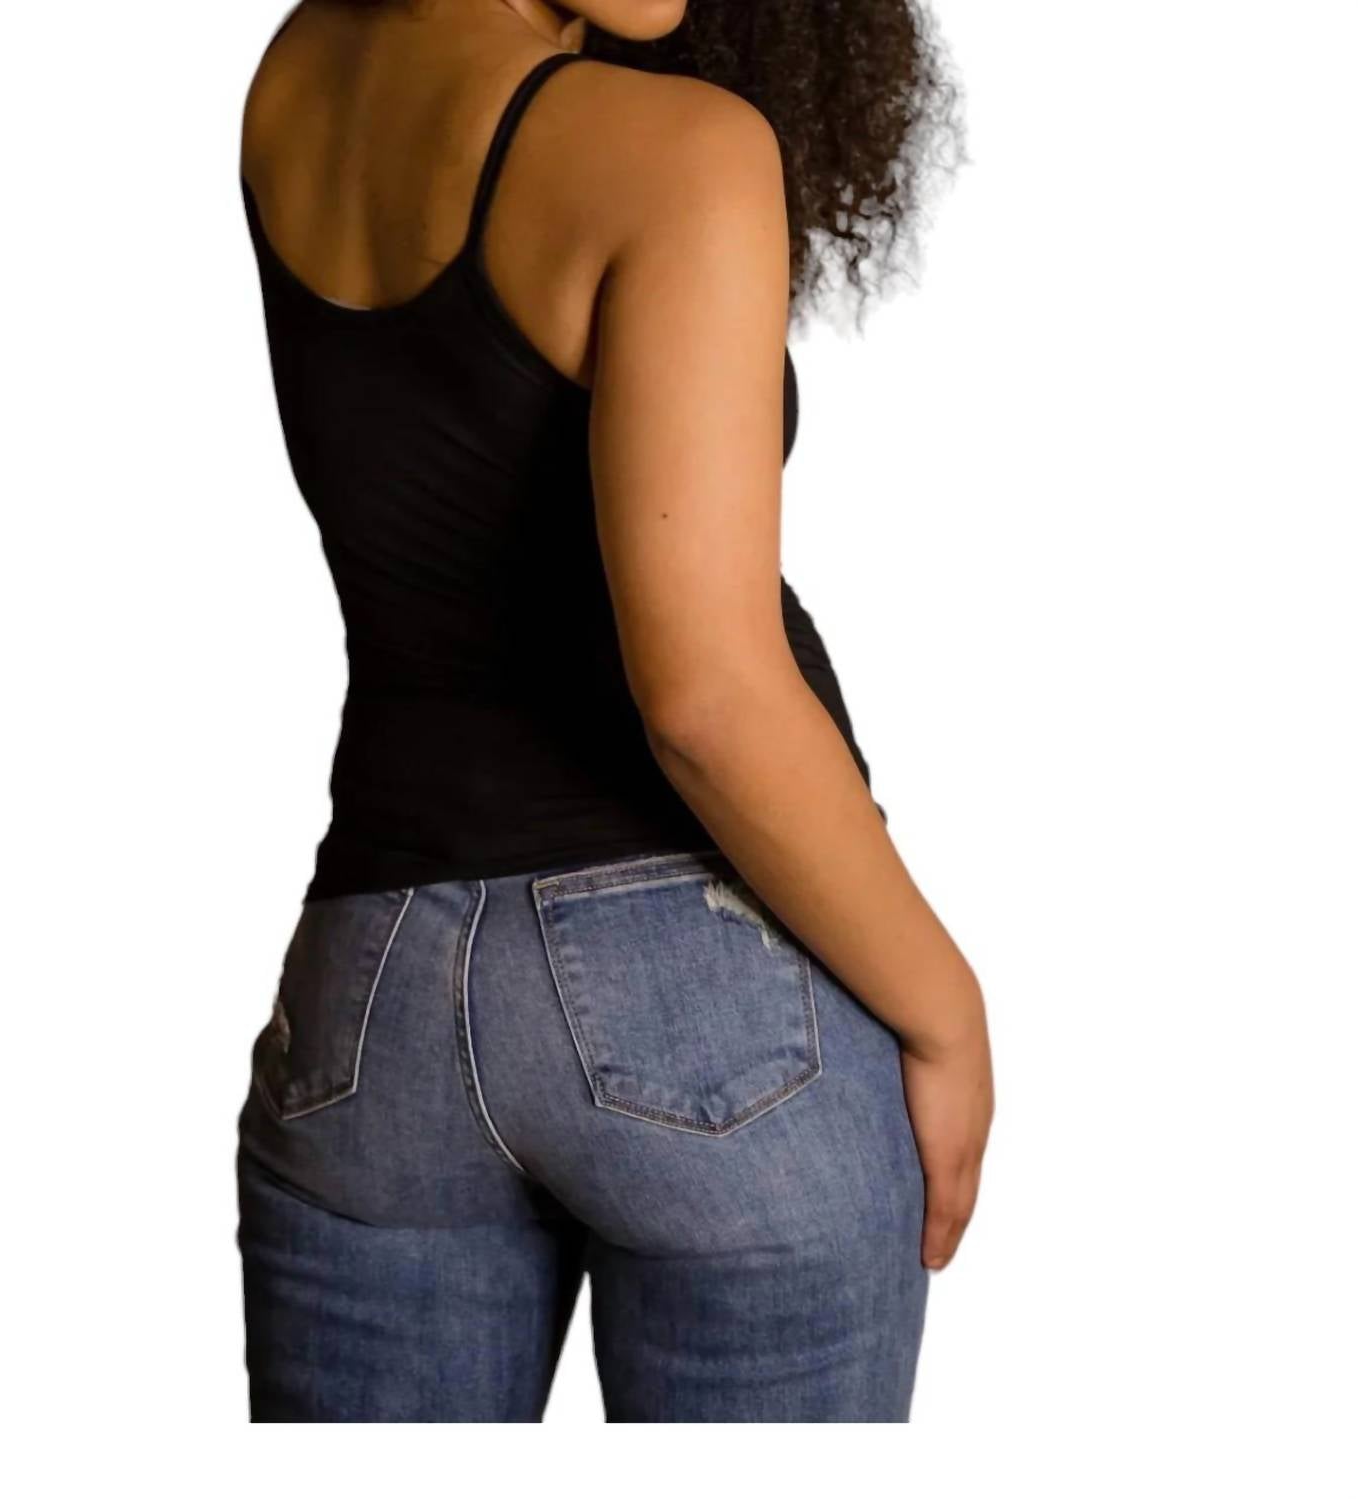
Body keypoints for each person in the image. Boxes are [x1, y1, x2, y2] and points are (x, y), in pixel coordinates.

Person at [235, 0, 993, 1422]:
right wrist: (944, 1012)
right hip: (712, 1006)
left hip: (371, 1005)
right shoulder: (679, 150)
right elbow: (704, 699)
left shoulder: (296, 81)